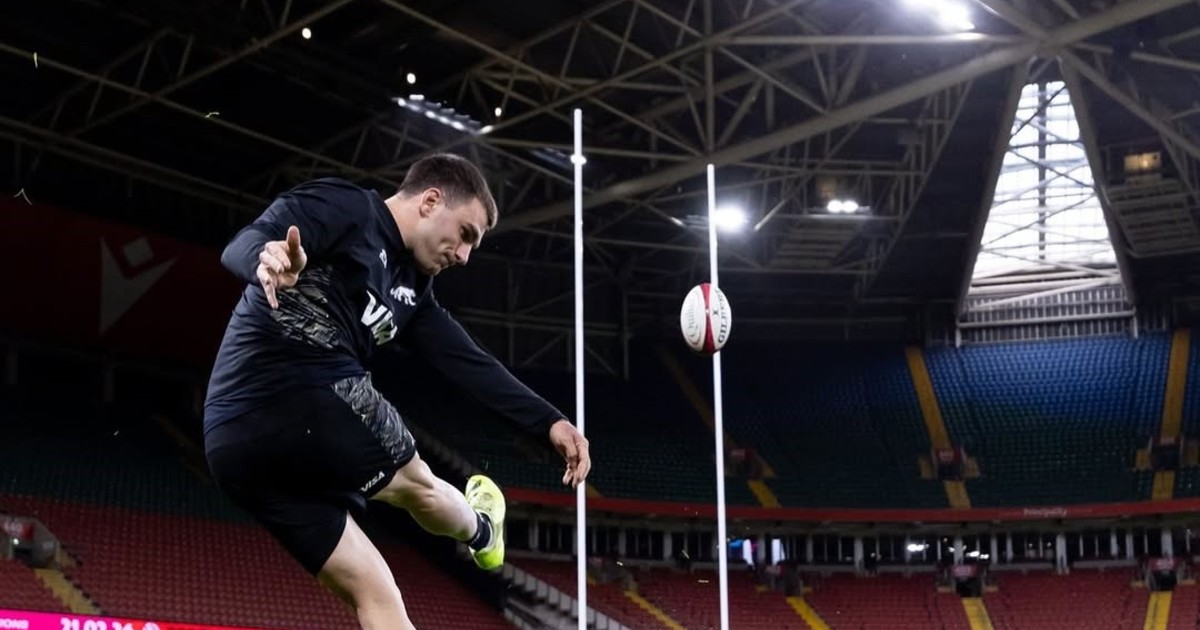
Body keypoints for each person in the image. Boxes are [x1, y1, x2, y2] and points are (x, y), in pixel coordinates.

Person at [201, 153, 591, 629]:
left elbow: (468, 363)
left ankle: (481, 531)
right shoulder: (348, 208)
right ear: (430, 201)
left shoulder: (414, 292)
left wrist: (548, 421)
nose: (464, 256)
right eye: (466, 234)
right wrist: (267, 260)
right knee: (419, 485)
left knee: (375, 590)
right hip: (300, 394)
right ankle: (483, 530)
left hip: (236, 446)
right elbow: (246, 242)